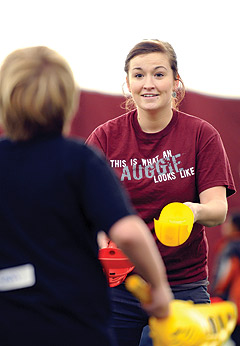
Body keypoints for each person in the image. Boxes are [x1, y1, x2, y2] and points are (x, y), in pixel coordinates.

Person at [0, 46, 173, 346]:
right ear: (68, 100)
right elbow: (129, 233)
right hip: (76, 323)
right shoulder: (79, 161)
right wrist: (158, 287)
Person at [86, 39, 236, 346]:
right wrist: (102, 239)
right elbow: (84, 208)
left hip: (184, 284)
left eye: (158, 73)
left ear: (175, 81)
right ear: (127, 83)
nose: (148, 84)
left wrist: (191, 211)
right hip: (122, 286)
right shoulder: (105, 137)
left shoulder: (201, 134)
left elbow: (218, 209)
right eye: (139, 75)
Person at [211, 213, 240, 345]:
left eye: (228, 223)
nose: (225, 226)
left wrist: (218, 291)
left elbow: (228, 270)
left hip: (233, 299)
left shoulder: (232, 246)